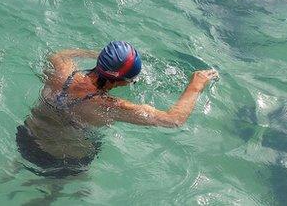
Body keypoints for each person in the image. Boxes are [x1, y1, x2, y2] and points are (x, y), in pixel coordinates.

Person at [17, 41, 218, 177]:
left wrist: (95, 54)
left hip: (26, 139)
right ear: (121, 81)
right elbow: (173, 119)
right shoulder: (109, 106)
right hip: (61, 162)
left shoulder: (63, 71)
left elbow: (58, 54)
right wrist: (196, 84)